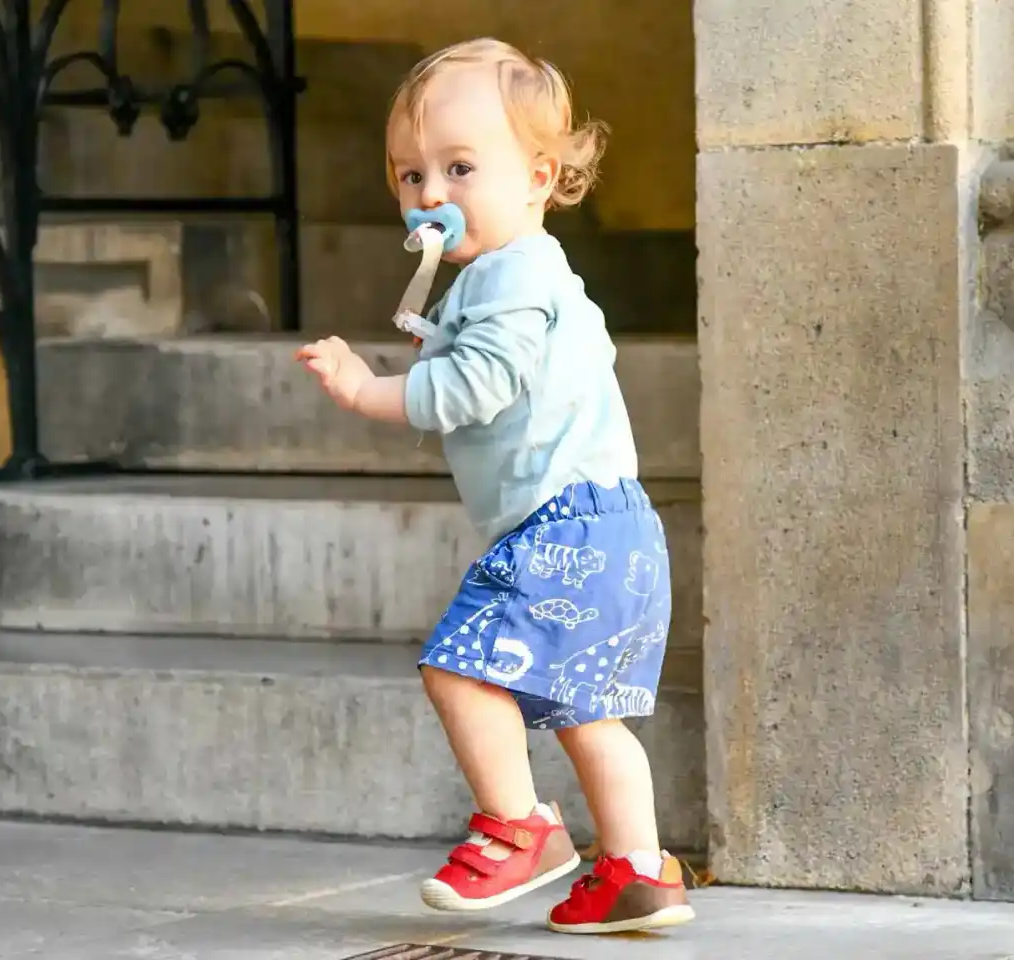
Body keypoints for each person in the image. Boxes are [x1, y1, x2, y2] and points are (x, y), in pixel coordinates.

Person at [295, 37, 693, 936]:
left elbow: (482, 388)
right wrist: (443, 342)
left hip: (562, 528)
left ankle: (521, 830)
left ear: (539, 177)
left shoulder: (511, 276)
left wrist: (371, 389)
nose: (430, 193)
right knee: (589, 715)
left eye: (460, 167)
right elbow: (517, 375)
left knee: (460, 671)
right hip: (617, 528)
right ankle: (638, 873)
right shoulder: (525, 278)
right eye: (410, 175)